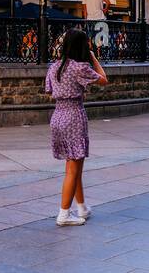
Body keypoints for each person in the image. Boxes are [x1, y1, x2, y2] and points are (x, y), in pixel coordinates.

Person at [45, 28, 108, 227]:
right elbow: (104, 79)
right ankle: (64, 214)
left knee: (74, 166)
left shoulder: (54, 67)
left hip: (57, 116)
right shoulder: (80, 67)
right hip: (74, 116)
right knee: (72, 169)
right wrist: (93, 58)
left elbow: (49, 91)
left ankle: (81, 207)